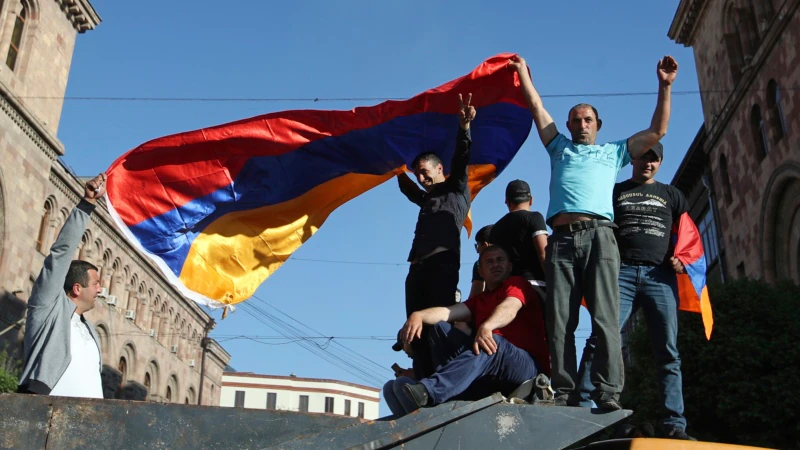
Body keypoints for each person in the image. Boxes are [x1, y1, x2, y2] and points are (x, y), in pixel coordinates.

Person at [509, 54, 678, 410]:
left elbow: (658, 131)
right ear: (569, 127)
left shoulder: (614, 152)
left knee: (605, 319)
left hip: (601, 237)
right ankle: (565, 393)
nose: (581, 124)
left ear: (597, 124)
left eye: (587, 119)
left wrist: (665, 86)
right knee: (560, 323)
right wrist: (524, 72)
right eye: (575, 120)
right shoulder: (559, 148)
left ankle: (607, 393)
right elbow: (536, 106)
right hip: (562, 241)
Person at [577, 144, 695, 440]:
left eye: (654, 159)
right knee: (599, 339)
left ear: (660, 162)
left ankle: (674, 423)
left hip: (661, 277)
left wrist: (683, 259)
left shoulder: (673, 195)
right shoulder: (615, 191)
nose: (648, 163)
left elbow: (689, 237)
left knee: (669, 353)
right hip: (621, 274)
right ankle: (579, 406)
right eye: (644, 156)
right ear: (633, 158)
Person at [397, 245, 550, 412]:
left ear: (510, 266)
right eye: (489, 262)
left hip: (527, 367)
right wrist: (418, 315)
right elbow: (447, 312)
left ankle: (430, 392)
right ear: (481, 271)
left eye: (500, 260)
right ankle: (451, 395)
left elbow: (510, 307)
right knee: (439, 329)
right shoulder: (480, 300)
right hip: (492, 370)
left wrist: (487, 326)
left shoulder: (517, 284)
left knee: (492, 342)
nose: (495, 265)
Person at [396, 93, 475, 378]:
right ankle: (420, 376)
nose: (421, 178)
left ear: (440, 168)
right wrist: (393, 169)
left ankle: (438, 379)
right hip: (416, 268)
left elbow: (462, 158)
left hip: (441, 265)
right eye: (417, 174)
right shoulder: (427, 198)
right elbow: (410, 191)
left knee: (434, 326)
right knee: (413, 328)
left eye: (425, 172)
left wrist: (464, 129)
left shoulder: (456, 189)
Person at [18, 174, 107, 397]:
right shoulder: (48, 309)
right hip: (44, 414)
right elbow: (60, 255)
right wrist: (87, 205)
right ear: (77, 288)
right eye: (96, 284)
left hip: (88, 424)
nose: (100, 290)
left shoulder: (90, 329)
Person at [490, 179, 548, 294]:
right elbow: (543, 254)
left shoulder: (495, 229)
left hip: (506, 289)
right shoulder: (534, 218)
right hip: (535, 286)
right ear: (531, 200)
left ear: (507, 201)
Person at [468, 225, 493, 299]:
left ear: (485, 245)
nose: (477, 250)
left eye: (477, 245)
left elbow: (475, 296)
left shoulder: (480, 264)